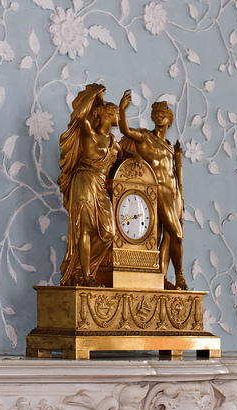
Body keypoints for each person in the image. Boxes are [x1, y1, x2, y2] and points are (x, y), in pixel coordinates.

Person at [118, 90, 187, 290]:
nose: (158, 115)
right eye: (155, 112)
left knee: (168, 237)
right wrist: (122, 110)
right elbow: (126, 131)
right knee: (177, 234)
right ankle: (180, 275)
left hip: (174, 192)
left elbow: (174, 173)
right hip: (159, 191)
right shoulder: (146, 137)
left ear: (169, 120)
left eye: (162, 112)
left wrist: (181, 193)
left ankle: (162, 278)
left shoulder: (169, 146)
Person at [58, 84, 122, 287]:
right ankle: (86, 276)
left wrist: (137, 158)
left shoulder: (113, 141)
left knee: (108, 233)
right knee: (85, 228)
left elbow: (125, 155)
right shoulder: (89, 134)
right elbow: (79, 116)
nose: (119, 117)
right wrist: (94, 93)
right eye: (117, 113)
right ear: (108, 115)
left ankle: (79, 268)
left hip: (101, 185)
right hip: (85, 180)